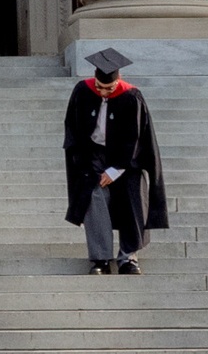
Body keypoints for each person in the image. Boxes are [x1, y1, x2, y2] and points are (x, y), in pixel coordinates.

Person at [66, 47, 168, 276]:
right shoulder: (83, 91)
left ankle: (128, 257)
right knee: (94, 194)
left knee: (132, 195)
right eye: (100, 87)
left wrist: (116, 169)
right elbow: (73, 127)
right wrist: (85, 162)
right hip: (94, 155)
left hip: (126, 159)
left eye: (109, 88)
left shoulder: (131, 97)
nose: (104, 92)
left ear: (118, 80)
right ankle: (100, 259)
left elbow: (135, 137)